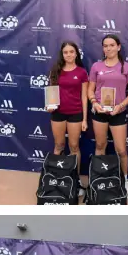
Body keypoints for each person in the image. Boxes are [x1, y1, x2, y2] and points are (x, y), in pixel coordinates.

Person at [88, 34, 128, 196]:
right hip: (100, 112)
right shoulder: (96, 66)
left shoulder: (126, 67)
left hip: (118, 113)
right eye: (105, 46)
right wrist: (94, 103)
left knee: (121, 150)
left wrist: (121, 106)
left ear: (118, 47)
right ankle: (98, 180)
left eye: (111, 45)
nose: (108, 48)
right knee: (100, 146)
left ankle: (124, 181)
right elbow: (90, 89)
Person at [48, 41, 89, 192]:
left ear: (76, 53)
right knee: (59, 146)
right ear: (62, 54)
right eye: (66, 52)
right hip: (58, 113)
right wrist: (49, 105)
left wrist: (84, 119)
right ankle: (56, 179)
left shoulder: (82, 72)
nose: (69, 55)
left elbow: (84, 97)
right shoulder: (55, 70)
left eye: (71, 52)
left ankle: (75, 180)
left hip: (75, 113)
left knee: (74, 147)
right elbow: (51, 92)